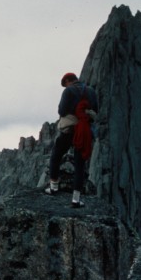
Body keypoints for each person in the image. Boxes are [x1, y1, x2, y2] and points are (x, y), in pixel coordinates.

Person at [45, 72, 98, 207]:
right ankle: (76, 198)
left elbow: (61, 111)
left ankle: (53, 187)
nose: (65, 86)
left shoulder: (68, 91)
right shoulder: (91, 91)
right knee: (79, 164)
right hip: (84, 131)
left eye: (65, 84)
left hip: (69, 130)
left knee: (56, 155)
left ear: (68, 80)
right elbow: (96, 109)